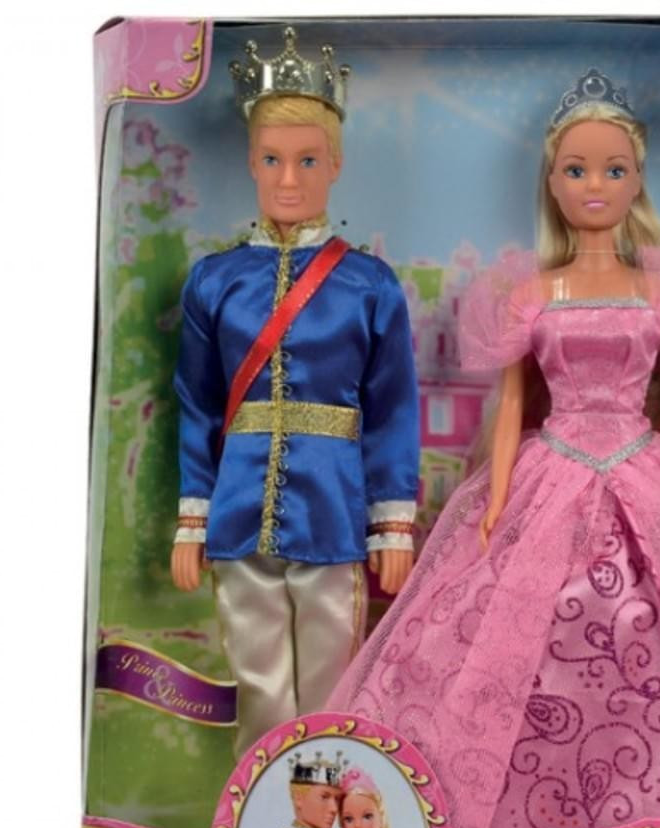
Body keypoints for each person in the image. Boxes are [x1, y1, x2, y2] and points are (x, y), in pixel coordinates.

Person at [325, 69, 660, 828]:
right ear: (552, 182)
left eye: (612, 170)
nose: (594, 186)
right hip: (552, 467)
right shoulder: (530, 292)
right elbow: (512, 408)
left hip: (643, 466)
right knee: (511, 634)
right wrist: (495, 502)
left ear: (637, 182)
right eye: (576, 170)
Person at [169, 26, 420, 756]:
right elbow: (198, 401)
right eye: (273, 160)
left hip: (333, 507)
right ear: (251, 162)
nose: (289, 179)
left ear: (335, 164)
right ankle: (259, 808)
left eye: (307, 160)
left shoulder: (368, 283)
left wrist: (392, 525)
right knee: (260, 684)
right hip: (238, 508)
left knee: (331, 683)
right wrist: (192, 519)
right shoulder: (215, 281)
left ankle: (328, 801)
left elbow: (392, 407)